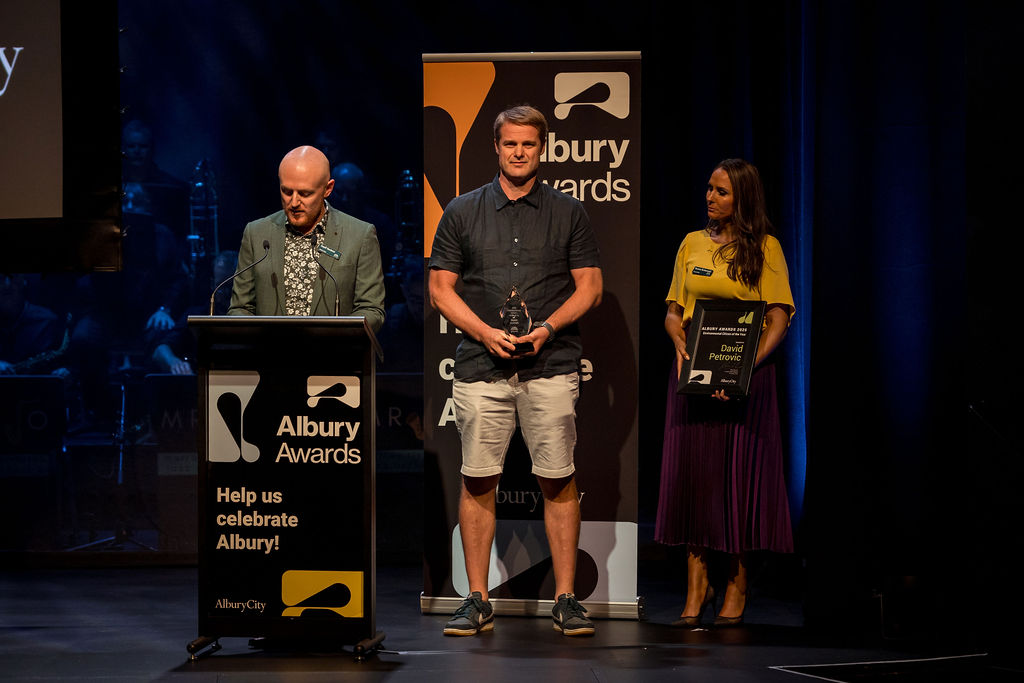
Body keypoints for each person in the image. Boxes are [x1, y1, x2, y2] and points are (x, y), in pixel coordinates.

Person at [428, 105, 603, 637]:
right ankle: (477, 598)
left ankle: (566, 599)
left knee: (558, 478)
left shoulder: (569, 212)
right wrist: (485, 332)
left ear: (542, 148)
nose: (519, 152)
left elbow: (591, 287)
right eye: (511, 143)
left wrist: (547, 328)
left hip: (550, 364)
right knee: (478, 478)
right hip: (481, 366)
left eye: (529, 144)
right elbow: (439, 289)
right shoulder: (462, 210)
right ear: (497, 147)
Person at [655, 158, 795, 628]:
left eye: (721, 191)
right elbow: (674, 310)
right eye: (709, 188)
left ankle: (736, 582)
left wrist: (742, 370)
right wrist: (677, 339)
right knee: (694, 480)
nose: (709, 197)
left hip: (746, 380)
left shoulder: (766, 248)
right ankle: (697, 587)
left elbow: (778, 317)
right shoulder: (691, 243)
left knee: (736, 481)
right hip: (692, 376)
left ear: (742, 198)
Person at [228, 146, 385, 331]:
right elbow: (239, 308)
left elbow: (372, 310)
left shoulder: (360, 235)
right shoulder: (256, 233)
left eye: (305, 194)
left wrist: (337, 337)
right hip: (269, 349)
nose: (294, 203)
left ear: (328, 189)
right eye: (287, 192)